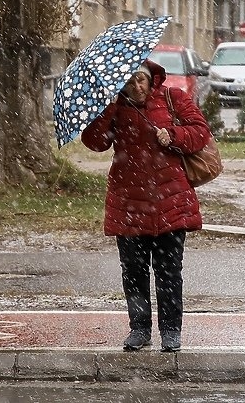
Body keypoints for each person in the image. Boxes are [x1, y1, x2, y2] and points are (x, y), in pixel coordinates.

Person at [80, 58, 211, 352]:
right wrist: (110, 106)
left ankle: (171, 331)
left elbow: (200, 131)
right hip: (128, 202)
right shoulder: (115, 106)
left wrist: (175, 135)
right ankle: (139, 328)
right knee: (134, 270)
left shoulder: (172, 98)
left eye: (141, 79)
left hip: (171, 200)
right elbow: (95, 142)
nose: (137, 86)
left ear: (151, 77)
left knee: (169, 271)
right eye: (129, 81)